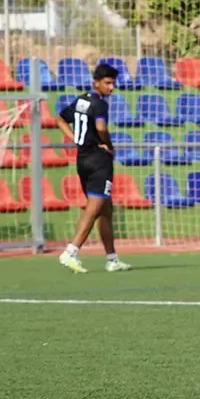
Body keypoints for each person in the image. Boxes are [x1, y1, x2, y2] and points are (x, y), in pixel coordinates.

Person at [54, 62, 129, 274]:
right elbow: (101, 128)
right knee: (94, 208)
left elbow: (59, 119)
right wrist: (110, 147)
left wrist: (76, 140)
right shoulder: (100, 104)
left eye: (113, 83)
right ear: (96, 83)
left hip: (83, 159)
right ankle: (71, 251)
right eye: (107, 83)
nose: (111, 88)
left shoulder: (81, 100)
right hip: (98, 160)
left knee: (105, 210)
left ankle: (112, 259)